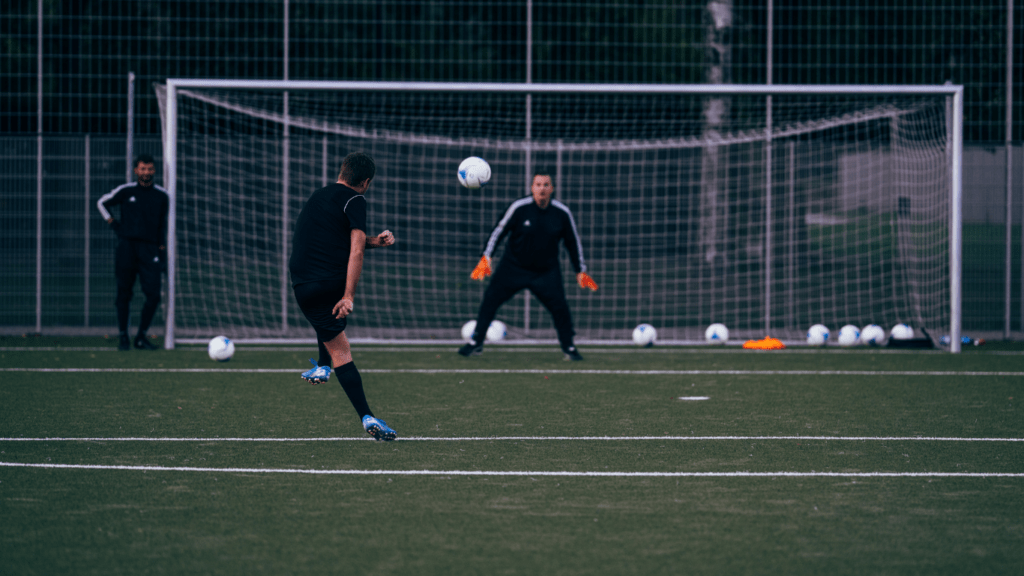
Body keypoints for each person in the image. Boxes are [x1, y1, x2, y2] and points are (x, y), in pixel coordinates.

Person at [289, 151, 398, 441]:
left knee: (325, 320)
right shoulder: (356, 199)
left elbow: (342, 239)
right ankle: (367, 416)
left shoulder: (319, 196)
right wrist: (348, 295)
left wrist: (374, 240)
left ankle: (322, 367)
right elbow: (355, 250)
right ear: (365, 182)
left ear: (341, 172)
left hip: (301, 285)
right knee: (342, 350)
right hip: (329, 282)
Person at [459, 171, 598, 360]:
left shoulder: (562, 213)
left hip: (546, 272)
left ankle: (569, 348)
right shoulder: (519, 208)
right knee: (490, 301)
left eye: (546, 185)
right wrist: (486, 257)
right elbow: (498, 231)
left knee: (560, 309)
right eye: (538, 184)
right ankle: (476, 343)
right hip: (513, 268)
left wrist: (580, 271)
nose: (542, 188)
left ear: (552, 189)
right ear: (532, 188)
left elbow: (573, 242)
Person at [96, 154, 168, 351]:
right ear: (136, 170)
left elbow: (162, 227)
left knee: (153, 295)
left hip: (149, 249)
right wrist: (114, 224)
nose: (146, 172)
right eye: (142, 169)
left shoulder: (161, 196)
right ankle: (123, 336)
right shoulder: (126, 191)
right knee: (123, 293)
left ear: (154, 170)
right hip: (126, 248)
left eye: (149, 169)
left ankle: (141, 336)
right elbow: (101, 203)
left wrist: (162, 253)